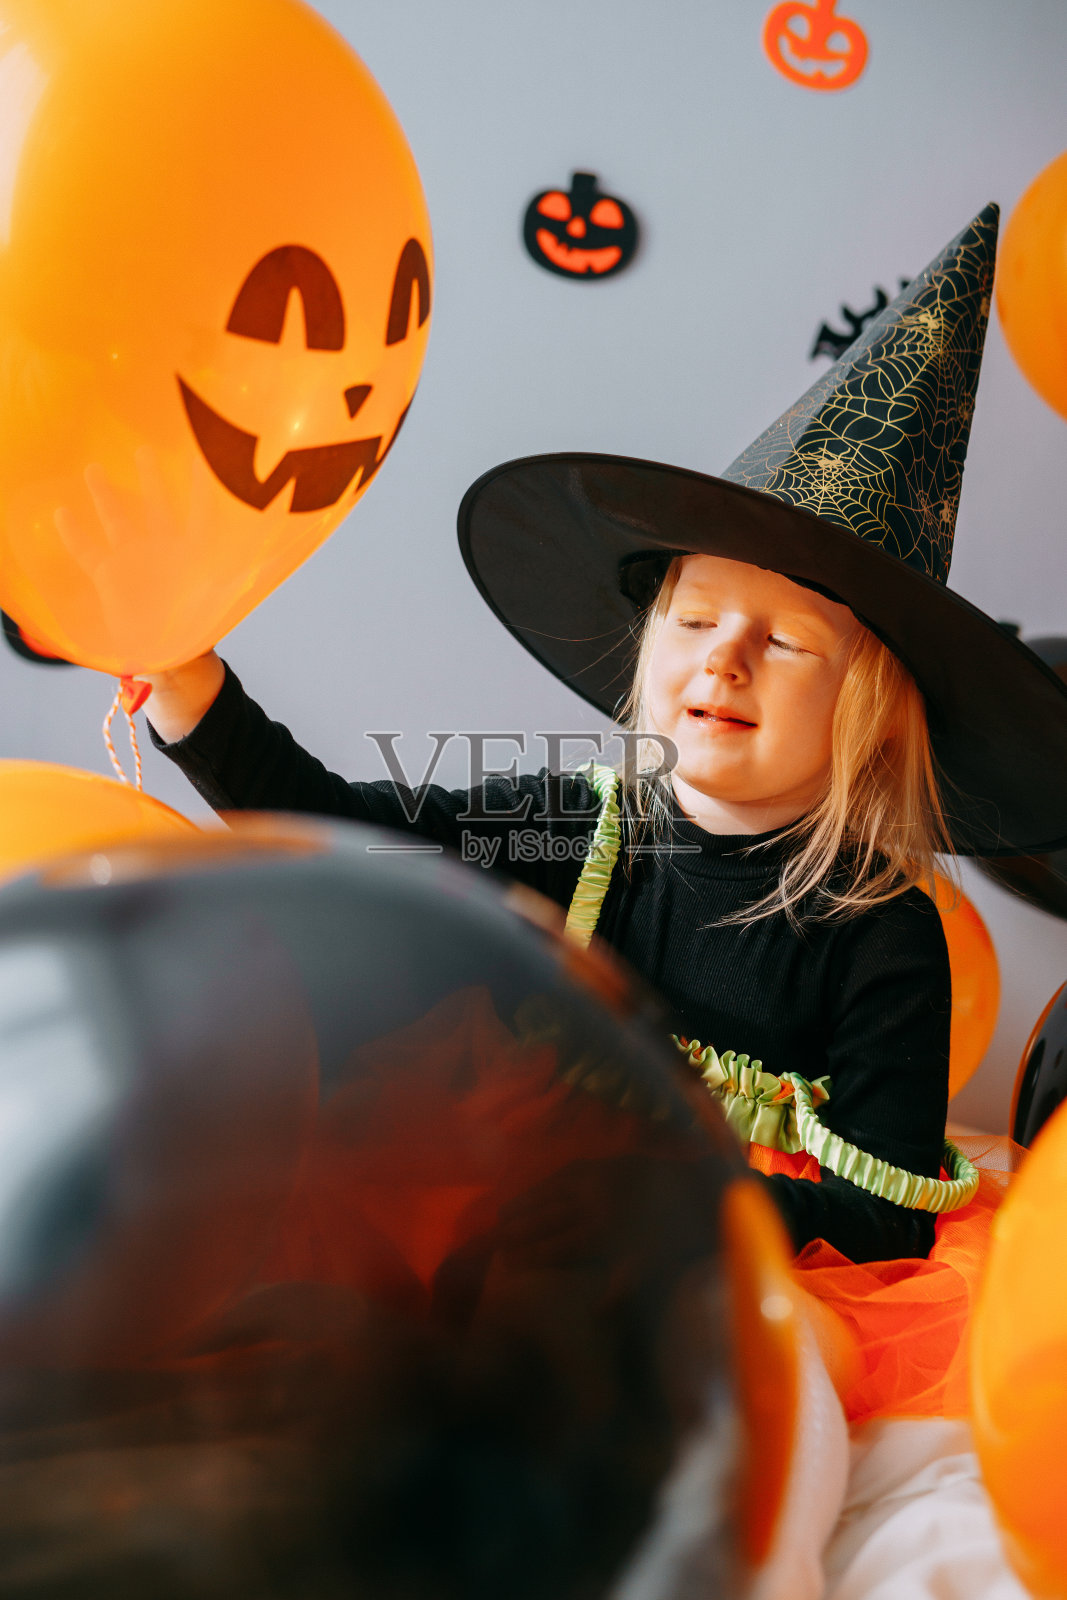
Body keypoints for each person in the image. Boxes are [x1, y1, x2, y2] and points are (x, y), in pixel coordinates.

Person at [142, 204, 1067, 1424]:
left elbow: (886, 1206)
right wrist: (194, 694)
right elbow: (335, 830)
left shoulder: (874, 928)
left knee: (765, 1385)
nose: (720, 661)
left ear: (870, 716)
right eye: (692, 620)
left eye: (783, 642)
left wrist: (682, 1196)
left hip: (726, 1248)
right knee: (330, 1270)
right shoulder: (563, 825)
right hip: (531, 1200)